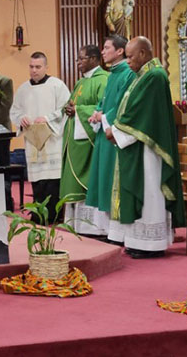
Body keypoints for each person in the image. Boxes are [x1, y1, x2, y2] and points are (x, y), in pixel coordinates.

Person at [107, 36, 184, 258]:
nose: (128, 61)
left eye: (130, 56)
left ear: (143, 53)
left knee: (149, 190)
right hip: (137, 144)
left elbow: (143, 114)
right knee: (140, 189)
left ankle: (150, 244)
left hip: (149, 147)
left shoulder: (155, 76)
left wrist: (117, 130)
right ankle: (136, 241)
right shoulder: (142, 74)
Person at [9, 51, 70, 223]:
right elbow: (14, 111)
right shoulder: (23, 89)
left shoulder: (57, 85)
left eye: (38, 67)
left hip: (52, 140)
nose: (34, 70)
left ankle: (53, 215)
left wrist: (48, 118)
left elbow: (66, 108)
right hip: (33, 141)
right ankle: (38, 213)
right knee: (37, 180)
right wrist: (22, 119)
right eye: (31, 67)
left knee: (52, 179)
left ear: (46, 67)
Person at [85, 35, 137, 238]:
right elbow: (105, 100)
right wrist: (97, 112)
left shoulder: (127, 74)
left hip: (114, 134)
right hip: (104, 132)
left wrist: (105, 117)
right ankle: (106, 229)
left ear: (120, 51)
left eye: (107, 48)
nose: (103, 52)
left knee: (112, 180)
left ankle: (117, 231)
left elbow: (124, 103)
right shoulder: (113, 73)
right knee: (103, 178)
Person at [61, 45, 108, 235]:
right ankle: (77, 224)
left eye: (82, 59)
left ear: (95, 59)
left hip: (89, 142)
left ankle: (94, 228)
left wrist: (78, 111)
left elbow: (103, 107)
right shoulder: (81, 83)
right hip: (75, 141)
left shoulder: (103, 79)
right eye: (77, 59)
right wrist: (68, 107)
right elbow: (73, 102)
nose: (78, 62)